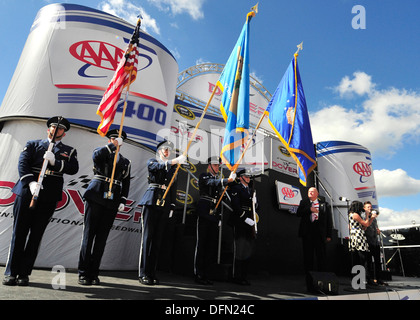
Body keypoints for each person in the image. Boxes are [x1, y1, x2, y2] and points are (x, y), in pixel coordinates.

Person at [2, 116, 79, 286]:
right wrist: (30, 182)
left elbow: (73, 168)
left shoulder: (69, 150)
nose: (56, 130)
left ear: (64, 133)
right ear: (48, 129)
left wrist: (55, 162)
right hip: (27, 191)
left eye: (60, 129)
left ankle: (24, 273)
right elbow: (23, 163)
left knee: (36, 235)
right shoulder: (33, 144)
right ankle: (11, 272)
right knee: (19, 233)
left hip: (49, 194)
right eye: (53, 127)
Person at [78, 129, 131, 285]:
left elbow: (126, 183)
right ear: (109, 140)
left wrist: (123, 200)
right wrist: (112, 146)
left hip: (112, 200)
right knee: (89, 236)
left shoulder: (126, 162)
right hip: (96, 195)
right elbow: (96, 156)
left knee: (101, 239)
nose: (115, 141)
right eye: (113, 138)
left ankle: (94, 272)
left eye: (118, 139)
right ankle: (83, 272)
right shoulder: (102, 152)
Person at [138, 140, 186, 285]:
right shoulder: (153, 161)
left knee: (158, 240)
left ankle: (152, 273)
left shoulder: (173, 169)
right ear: (159, 151)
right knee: (147, 239)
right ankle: (143, 273)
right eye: (164, 149)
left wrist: (172, 206)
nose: (167, 152)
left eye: (169, 150)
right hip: (152, 200)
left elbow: (173, 187)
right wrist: (174, 161)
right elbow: (158, 168)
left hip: (164, 204)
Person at [194, 156, 236, 285]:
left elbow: (219, 198)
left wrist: (218, 218)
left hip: (213, 213)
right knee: (201, 244)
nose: (217, 167)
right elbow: (211, 183)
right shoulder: (204, 176)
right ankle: (199, 273)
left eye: (218, 165)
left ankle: (206, 273)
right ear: (209, 166)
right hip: (204, 211)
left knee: (211, 246)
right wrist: (225, 180)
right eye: (215, 165)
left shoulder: (218, 180)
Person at [297, 187, 333, 290]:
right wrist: (309, 209)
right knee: (308, 259)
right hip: (307, 234)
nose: (310, 193)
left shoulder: (324, 205)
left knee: (321, 258)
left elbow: (328, 220)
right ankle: (309, 282)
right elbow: (298, 213)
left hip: (320, 235)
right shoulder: (303, 202)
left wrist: (329, 235)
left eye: (312, 192)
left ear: (317, 193)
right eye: (309, 192)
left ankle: (322, 282)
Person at [228, 168, 258, 285]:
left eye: (249, 177)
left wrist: (256, 202)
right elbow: (236, 205)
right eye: (246, 176)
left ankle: (244, 276)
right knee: (239, 249)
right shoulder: (236, 188)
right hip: (240, 221)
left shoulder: (251, 190)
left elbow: (256, 207)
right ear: (241, 178)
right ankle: (237, 276)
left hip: (250, 221)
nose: (249, 178)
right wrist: (244, 218)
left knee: (246, 250)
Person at [348, 200, 377, 273]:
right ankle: (359, 276)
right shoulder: (354, 215)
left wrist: (372, 218)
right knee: (361, 256)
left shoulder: (353, 214)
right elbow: (366, 224)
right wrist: (367, 215)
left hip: (358, 233)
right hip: (358, 236)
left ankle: (361, 276)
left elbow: (365, 226)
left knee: (360, 257)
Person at [363, 201, 385, 285]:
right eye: (368, 207)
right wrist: (371, 217)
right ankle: (369, 279)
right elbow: (365, 226)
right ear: (364, 208)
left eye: (370, 207)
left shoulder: (374, 219)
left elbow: (376, 228)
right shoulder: (364, 217)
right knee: (368, 262)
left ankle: (378, 278)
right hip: (368, 242)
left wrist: (378, 232)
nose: (370, 208)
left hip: (375, 242)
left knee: (377, 262)